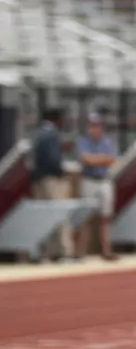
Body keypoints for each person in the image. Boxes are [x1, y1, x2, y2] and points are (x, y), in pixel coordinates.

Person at [28, 109, 74, 260]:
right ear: (56, 120)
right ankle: (64, 251)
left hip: (40, 180)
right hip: (53, 179)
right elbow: (53, 159)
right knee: (60, 215)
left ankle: (45, 252)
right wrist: (61, 174)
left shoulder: (38, 134)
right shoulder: (52, 134)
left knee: (43, 217)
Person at [75, 112, 119, 261]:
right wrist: (102, 159)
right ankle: (81, 252)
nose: (94, 128)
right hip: (89, 180)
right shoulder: (83, 141)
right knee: (85, 216)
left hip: (104, 180)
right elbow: (87, 159)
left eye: (97, 125)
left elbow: (112, 159)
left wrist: (96, 159)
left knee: (105, 217)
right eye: (92, 126)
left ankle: (106, 251)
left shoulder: (107, 142)